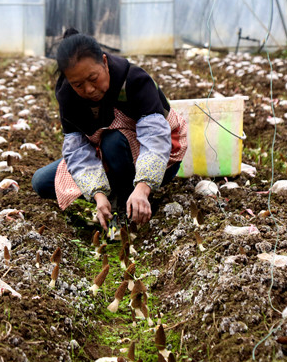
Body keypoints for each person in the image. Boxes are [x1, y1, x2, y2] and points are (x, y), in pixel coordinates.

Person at [32, 29, 188, 231]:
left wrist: (143, 187)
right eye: (78, 84)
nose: (88, 89)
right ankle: (111, 201)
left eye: (93, 78)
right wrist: (98, 194)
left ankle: (129, 203)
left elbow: (155, 138)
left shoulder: (133, 80)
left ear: (104, 62)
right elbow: (77, 150)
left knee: (112, 141)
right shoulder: (67, 96)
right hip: (109, 158)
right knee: (42, 182)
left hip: (159, 159)